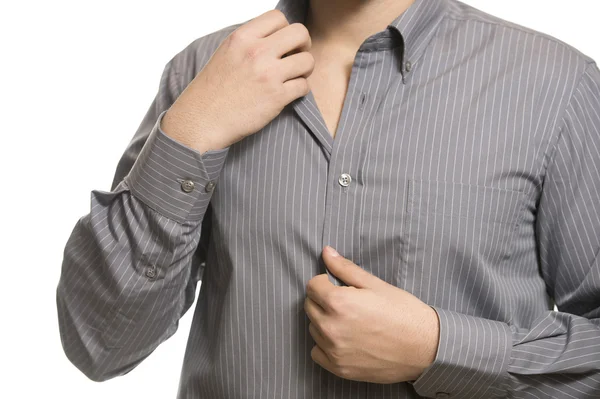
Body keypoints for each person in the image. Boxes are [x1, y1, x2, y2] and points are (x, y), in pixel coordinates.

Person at [56, 0, 600, 397]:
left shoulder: (556, 85)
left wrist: (440, 349)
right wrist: (193, 131)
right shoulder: (202, 72)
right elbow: (100, 345)